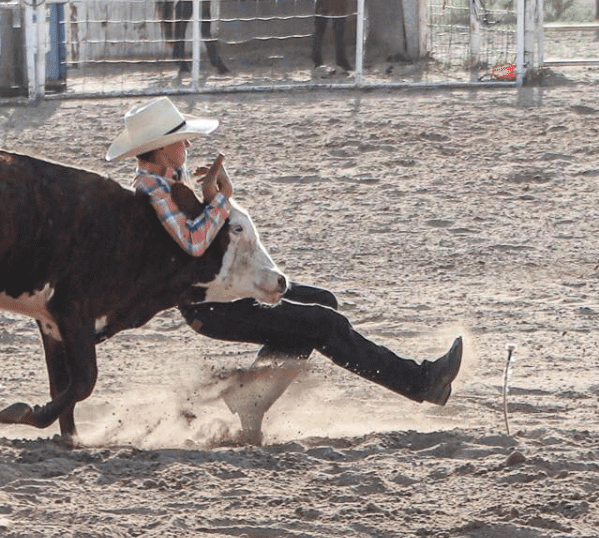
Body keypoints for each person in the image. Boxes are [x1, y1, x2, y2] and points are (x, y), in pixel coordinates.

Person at [106, 97, 464, 443]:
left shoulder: (168, 177)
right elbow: (194, 243)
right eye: (179, 139)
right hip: (212, 304)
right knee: (324, 324)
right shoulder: (154, 190)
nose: (186, 143)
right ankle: (422, 382)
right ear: (163, 148)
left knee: (322, 304)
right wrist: (220, 200)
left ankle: (252, 399)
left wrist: (218, 194)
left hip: (227, 288)